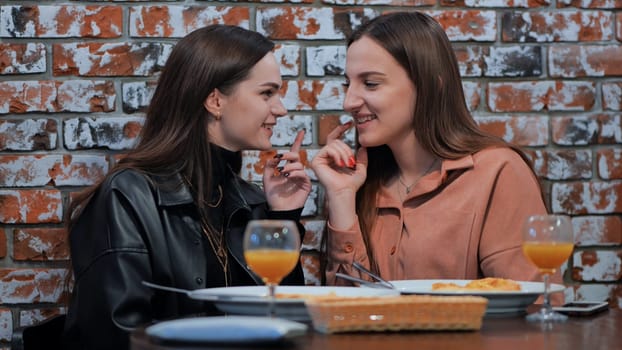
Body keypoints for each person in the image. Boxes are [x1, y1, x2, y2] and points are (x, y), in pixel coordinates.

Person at [62, 25, 311, 349]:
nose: (281, 109)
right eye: (267, 93)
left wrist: (284, 218)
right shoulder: (128, 197)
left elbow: (288, 325)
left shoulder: (250, 201)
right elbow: (118, 336)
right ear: (215, 100)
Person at [311, 12, 557, 287]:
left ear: (430, 86)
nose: (348, 101)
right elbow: (344, 311)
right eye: (348, 84)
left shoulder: (498, 172)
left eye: (370, 83)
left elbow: (533, 305)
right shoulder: (362, 182)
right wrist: (342, 199)